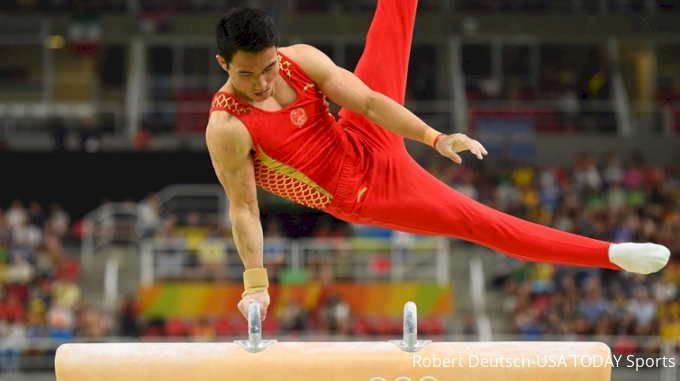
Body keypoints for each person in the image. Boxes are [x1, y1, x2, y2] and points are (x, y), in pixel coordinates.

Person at [205, 1, 671, 321]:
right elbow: (244, 209)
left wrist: (435, 137)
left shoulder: (298, 60)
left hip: (363, 133)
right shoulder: (227, 128)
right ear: (225, 65)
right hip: (367, 194)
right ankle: (609, 255)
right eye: (249, 74)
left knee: (393, 21)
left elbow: (367, 102)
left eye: (268, 68)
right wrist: (255, 284)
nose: (264, 82)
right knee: (481, 222)